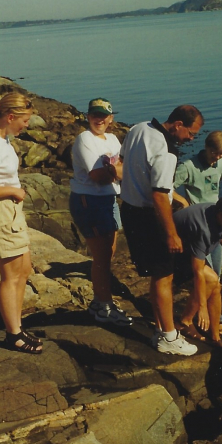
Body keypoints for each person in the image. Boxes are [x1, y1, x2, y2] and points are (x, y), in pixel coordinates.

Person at [120, 105, 203, 355]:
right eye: (191, 133)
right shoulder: (167, 152)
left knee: (156, 274)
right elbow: (159, 195)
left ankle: (160, 328)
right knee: (165, 275)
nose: (191, 139)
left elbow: (123, 161)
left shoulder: (139, 128)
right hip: (149, 215)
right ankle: (168, 336)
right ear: (178, 124)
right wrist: (171, 233)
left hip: (129, 209)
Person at [0, 92, 41, 353]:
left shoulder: (2, 138)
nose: (27, 125)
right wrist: (13, 192)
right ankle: (13, 335)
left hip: (10, 212)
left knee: (23, 269)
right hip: (0, 213)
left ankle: (18, 326)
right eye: (24, 120)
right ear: (10, 117)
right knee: (11, 276)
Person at [69, 98, 132, 326]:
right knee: (102, 255)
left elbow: (123, 169)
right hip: (89, 200)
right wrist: (118, 171)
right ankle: (103, 307)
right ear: (88, 117)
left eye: (104, 116)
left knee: (109, 252)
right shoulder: (85, 140)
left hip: (109, 199)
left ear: (111, 119)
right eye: (95, 115)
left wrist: (115, 171)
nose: (99, 120)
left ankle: (99, 300)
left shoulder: (113, 139)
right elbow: (98, 176)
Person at [173, 193, 222, 345]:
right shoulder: (202, 228)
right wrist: (201, 307)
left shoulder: (216, 213)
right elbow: (197, 272)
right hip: (170, 253)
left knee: (216, 285)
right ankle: (185, 322)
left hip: (187, 248)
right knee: (210, 279)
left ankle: (215, 333)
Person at [173, 130, 222, 275]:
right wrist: (183, 201)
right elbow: (167, 188)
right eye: (213, 153)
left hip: (218, 219)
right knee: (205, 269)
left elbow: (217, 184)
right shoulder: (188, 167)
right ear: (206, 146)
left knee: (216, 271)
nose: (216, 158)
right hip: (199, 223)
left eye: (221, 154)